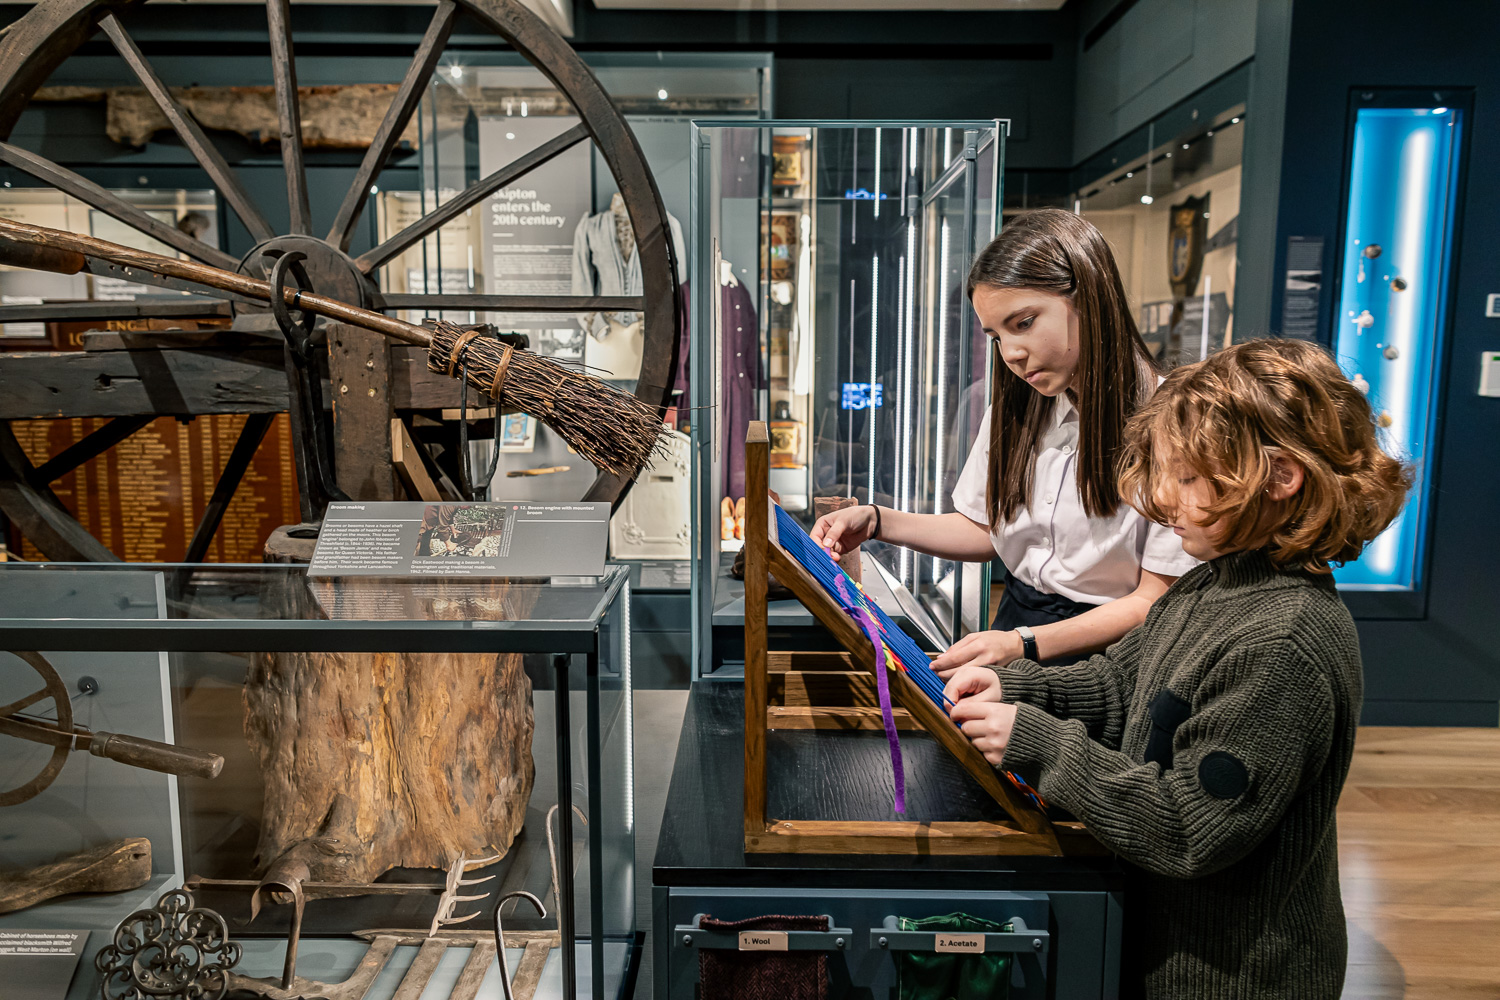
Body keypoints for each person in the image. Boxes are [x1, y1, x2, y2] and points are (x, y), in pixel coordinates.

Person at [943, 339, 1410, 999]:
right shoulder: (1212, 585)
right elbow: (1119, 686)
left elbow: (1191, 827)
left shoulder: (1281, 643)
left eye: (1186, 478)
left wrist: (1039, 741)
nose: (1159, 499)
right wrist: (1016, 685)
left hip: (1229, 977)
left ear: (1280, 477)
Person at [811, 209, 1197, 675]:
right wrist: (875, 520)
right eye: (996, 336)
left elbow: (1153, 599)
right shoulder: (1016, 413)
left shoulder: (1171, 422)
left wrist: (1024, 644)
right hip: (1016, 634)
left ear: (1088, 298)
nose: (1011, 353)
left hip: (1110, 660)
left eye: (1024, 323)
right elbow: (988, 529)